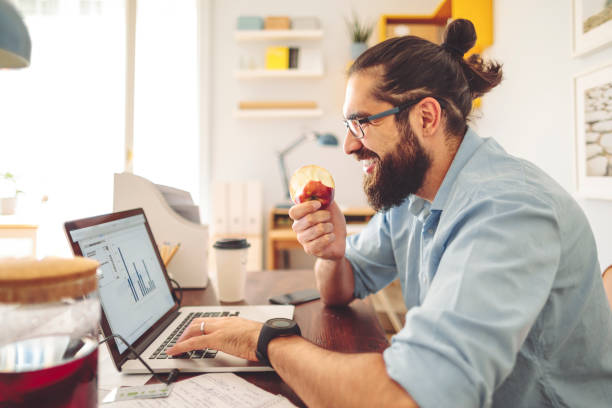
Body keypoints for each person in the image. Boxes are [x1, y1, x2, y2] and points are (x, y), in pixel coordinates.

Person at [168, 19, 612, 407]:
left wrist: (262, 340)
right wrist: (332, 252)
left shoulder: (508, 210)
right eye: (348, 126)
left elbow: (408, 398)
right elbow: (341, 291)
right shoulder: (413, 195)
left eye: (362, 122)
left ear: (426, 117)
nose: (349, 145)